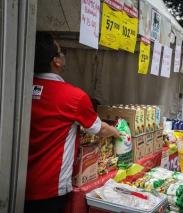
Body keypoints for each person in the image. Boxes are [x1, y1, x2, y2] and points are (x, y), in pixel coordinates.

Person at [25, 32, 120, 213]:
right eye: (61, 52)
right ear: (56, 61)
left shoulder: (18, 88)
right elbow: (99, 130)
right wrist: (117, 132)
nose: (63, 56)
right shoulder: (74, 97)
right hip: (50, 188)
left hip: (15, 181)